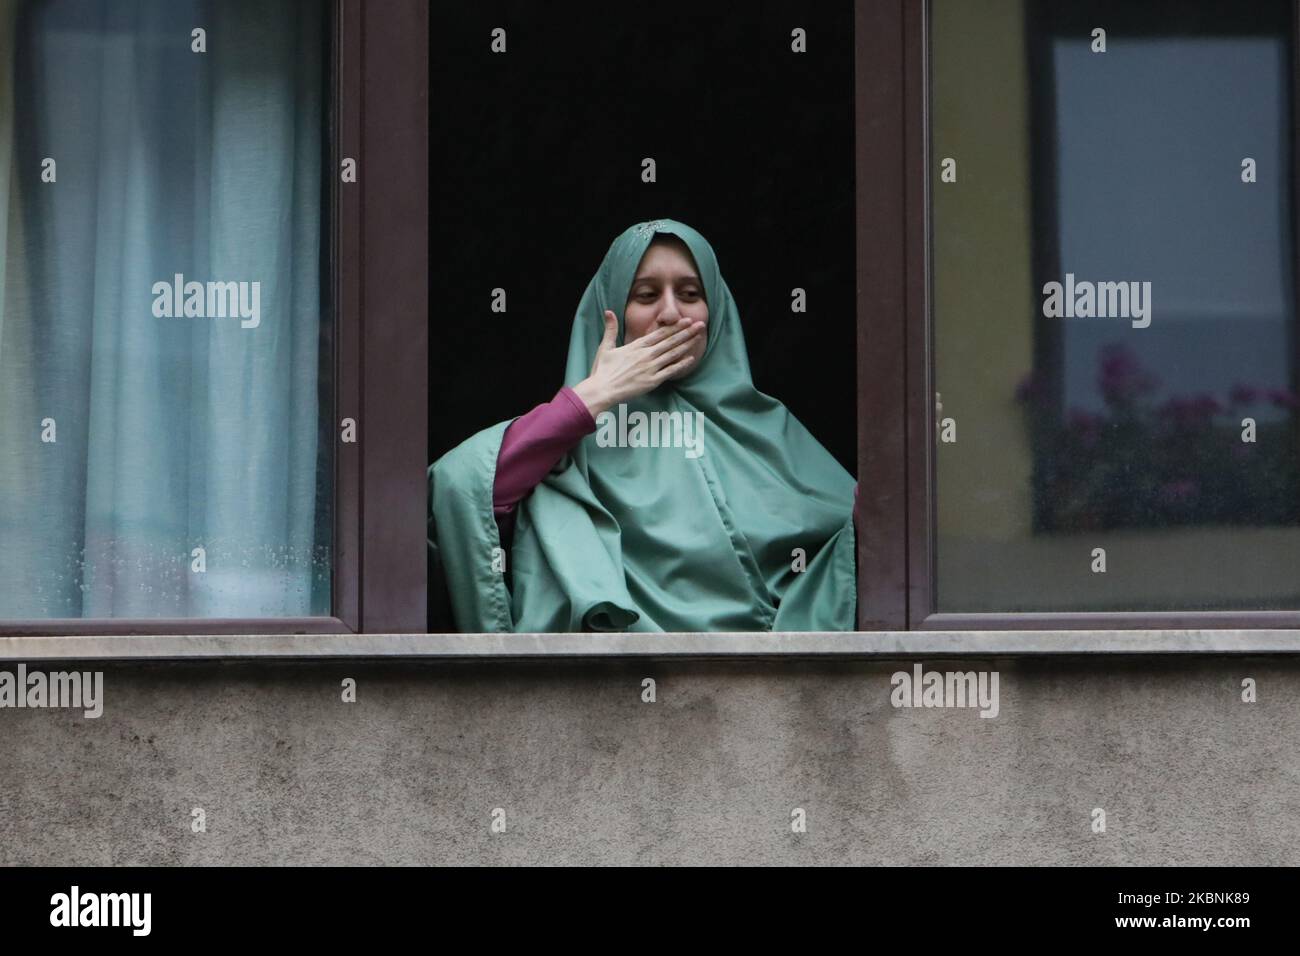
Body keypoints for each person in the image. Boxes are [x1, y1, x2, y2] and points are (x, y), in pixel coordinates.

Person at [428, 219, 858, 631]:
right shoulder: (568, 438)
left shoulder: (767, 427)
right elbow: (465, 488)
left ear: (716, 312)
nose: (670, 313)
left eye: (690, 294)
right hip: (606, 689)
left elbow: (863, 538)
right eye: (646, 295)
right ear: (611, 311)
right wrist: (593, 397)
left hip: (765, 690)